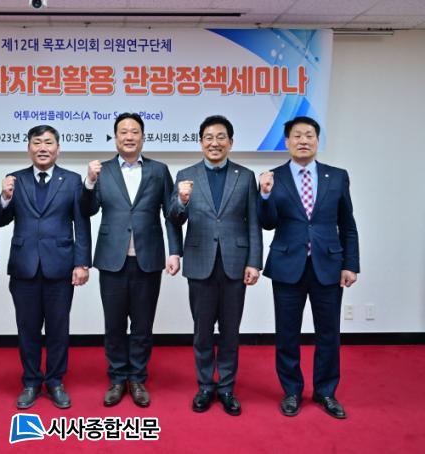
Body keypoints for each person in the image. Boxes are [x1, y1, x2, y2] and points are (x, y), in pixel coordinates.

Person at [257, 116, 359, 419]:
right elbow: (267, 223)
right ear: (287, 142)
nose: (303, 140)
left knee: (329, 333)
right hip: (287, 265)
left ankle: (326, 391)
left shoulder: (337, 177)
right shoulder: (273, 177)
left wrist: (350, 264)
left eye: (309, 135)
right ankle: (291, 391)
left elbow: (347, 224)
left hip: (328, 265)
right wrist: (264, 195)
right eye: (297, 135)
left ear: (317, 140)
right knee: (286, 334)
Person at [81, 112, 182, 407]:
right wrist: (89, 182)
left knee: (142, 325)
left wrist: (174, 251)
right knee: (113, 324)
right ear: (115, 138)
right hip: (112, 259)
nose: (129, 136)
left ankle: (137, 378)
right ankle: (116, 378)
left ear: (143, 137)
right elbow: (87, 210)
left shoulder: (159, 170)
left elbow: (171, 214)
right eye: (123, 132)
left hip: (147, 258)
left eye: (134, 131)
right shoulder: (102, 171)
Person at [169, 115, 262, 416]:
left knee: (231, 331)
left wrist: (254, 262)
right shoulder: (186, 175)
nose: (215, 143)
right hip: (200, 262)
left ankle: (227, 388)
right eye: (209, 137)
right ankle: (206, 386)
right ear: (201, 142)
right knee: (203, 331)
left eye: (221, 137)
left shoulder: (245, 176)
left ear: (230, 142)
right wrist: (182, 200)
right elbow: (174, 219)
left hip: (235, 262)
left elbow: (253, 222)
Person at [0, 125, 91, 410]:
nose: (43, 148)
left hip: (60, 266)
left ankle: (56, 381)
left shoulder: (72, 180)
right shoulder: (16, 179)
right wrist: (5, 197)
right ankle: (31, 382)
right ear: (28, 148)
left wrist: (82, 263)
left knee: (59, 328)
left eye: (48, 142)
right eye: (37, 142)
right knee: (27, 329)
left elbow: (81, 224)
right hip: (24, 266)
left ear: (58, 148)